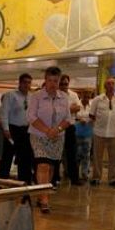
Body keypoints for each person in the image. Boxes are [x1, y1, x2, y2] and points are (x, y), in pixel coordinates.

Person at [27, 66, 72, 213]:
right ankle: (45, 199)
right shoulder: (36, 96)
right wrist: (47, 130)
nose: (53, 83)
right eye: (50, 80)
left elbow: (68, 119)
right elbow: (31, 117)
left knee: (52, 167)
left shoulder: (64, 98)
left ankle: (41, 195)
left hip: (57, 137)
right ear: (45, 81)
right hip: (39, 135)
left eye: (56, 81)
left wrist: (57, 130)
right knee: (43, 165)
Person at [89, 76, 115, 186]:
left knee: (114, 157)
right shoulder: (97, 99)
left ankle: (113, 178)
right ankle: (96, 177)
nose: (110, 86)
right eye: (108, 84)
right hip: (99, 132)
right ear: (105, 86)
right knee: (97, 156)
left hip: (114, 133)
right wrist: (101, 121)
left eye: (112, 84)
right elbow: (91, 115)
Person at [0, 73, 33, 183]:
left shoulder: (31, 97)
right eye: (25, 82)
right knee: (8, 156)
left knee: (25, 157)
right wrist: (6, 129)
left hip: (26, 130)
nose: (27, 85)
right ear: (20, 83)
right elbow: (4, 113)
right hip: (13, 129)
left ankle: (24, 180)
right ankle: (1, 181)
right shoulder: (10, 95)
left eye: (29, 82)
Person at [58, 74, 83, 185]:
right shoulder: (55, 95)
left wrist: (65, 110)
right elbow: (56, 111)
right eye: (62, 84)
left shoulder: (73, 95)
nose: (64, 86)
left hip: (70, 126)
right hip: (57, 127)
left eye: (66, 84)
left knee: (72, 153)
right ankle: (55, 177)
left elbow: (77, 108)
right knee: (57, 153)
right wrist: (69, 109)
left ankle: (74, 178)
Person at [75, 92, 94, 181]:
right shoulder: (77, 104)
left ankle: (84, 172)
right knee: (78, 153)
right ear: (82, 96)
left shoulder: (92, 106)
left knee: (86, 154)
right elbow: (73, 116)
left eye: (88, 97)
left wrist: (90, 120)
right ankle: (76, 172)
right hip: (77, 132)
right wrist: (79, 119)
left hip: (88, 132)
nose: (86, 99)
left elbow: (93, 116)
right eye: (85, 96)